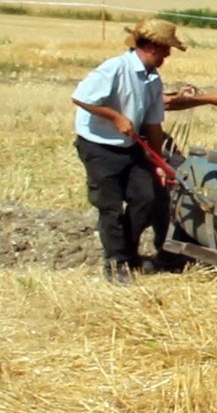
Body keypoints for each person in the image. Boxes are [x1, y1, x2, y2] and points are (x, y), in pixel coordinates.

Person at [72, 18, 187, 284]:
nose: (168, 54)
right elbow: (81, 96)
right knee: (110, 207)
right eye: (166, 48)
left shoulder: (152, 79)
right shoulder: (115, 68)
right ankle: (116, 263)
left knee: (147, 198)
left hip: (130, 147)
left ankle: (128, 253)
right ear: (152, 46)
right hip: (99, 145)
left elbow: (153, 124)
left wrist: (158, 161)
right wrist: (115, 116)